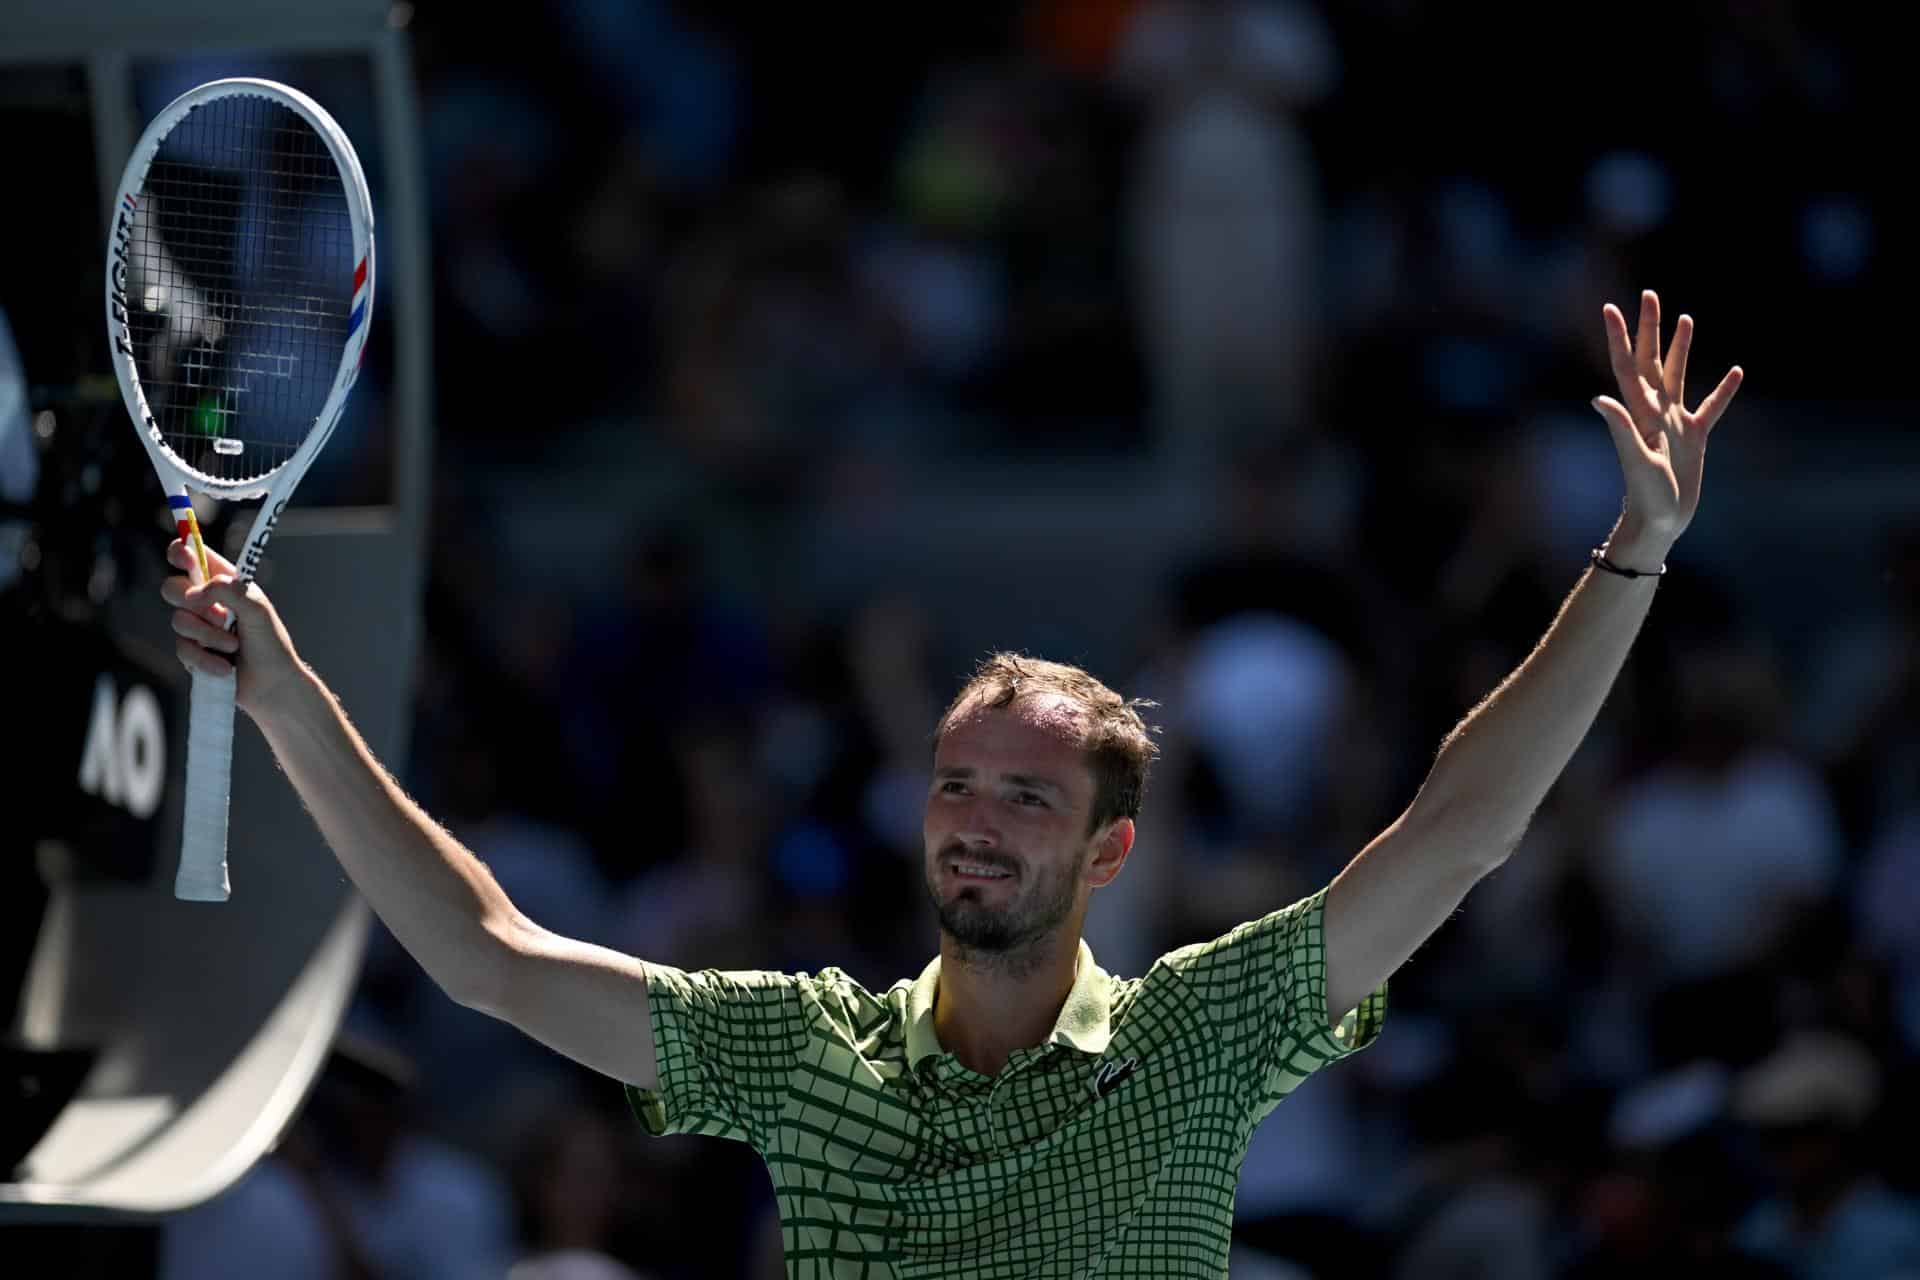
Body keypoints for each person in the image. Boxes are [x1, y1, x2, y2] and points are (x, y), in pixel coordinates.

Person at [162, 291, 1741, 1278]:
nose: (975, 818)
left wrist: (1633, 555)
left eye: (1028, 798)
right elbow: (485, 959)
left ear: (1113, 852)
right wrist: (290, 694)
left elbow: (1455, 836)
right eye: (958, 783)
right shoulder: (793, 1052)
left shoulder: (1203, 1039)